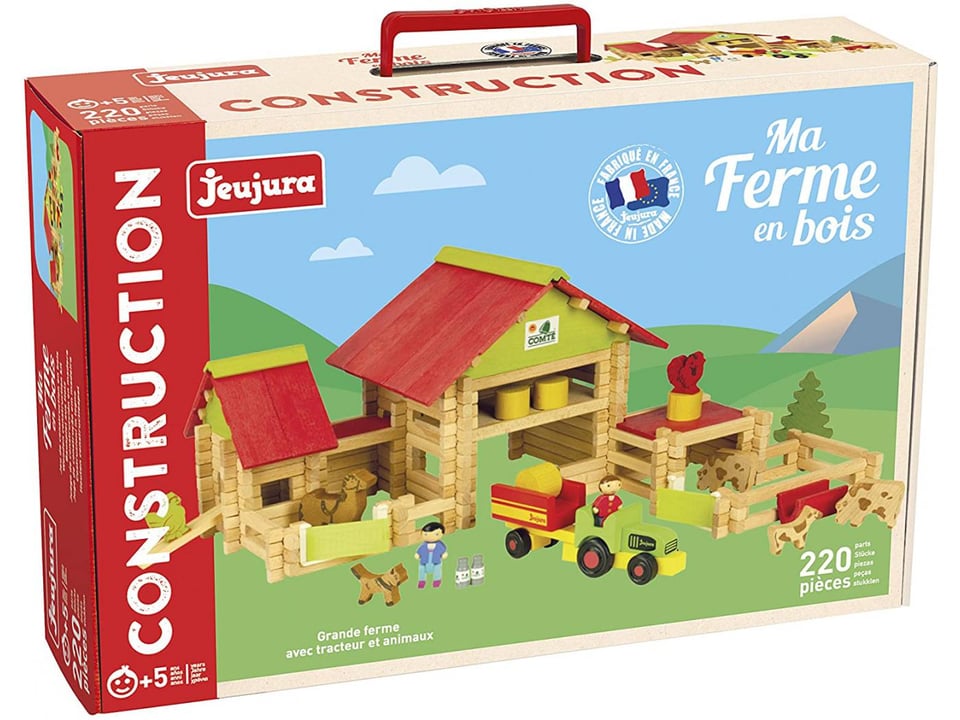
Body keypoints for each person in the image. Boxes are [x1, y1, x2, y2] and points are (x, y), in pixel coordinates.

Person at [414, 521, 448, 588]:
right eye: (426, 534)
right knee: (421, 570)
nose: (430, 537)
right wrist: (418, 554)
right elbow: (419, 551)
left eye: (436, 534)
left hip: (436, 562)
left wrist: (444, 554)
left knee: (437, 571)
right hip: (424, 562)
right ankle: (421, 581)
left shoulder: (440, 545)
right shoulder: (423, 545)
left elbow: (443, 551)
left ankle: (437, 581)